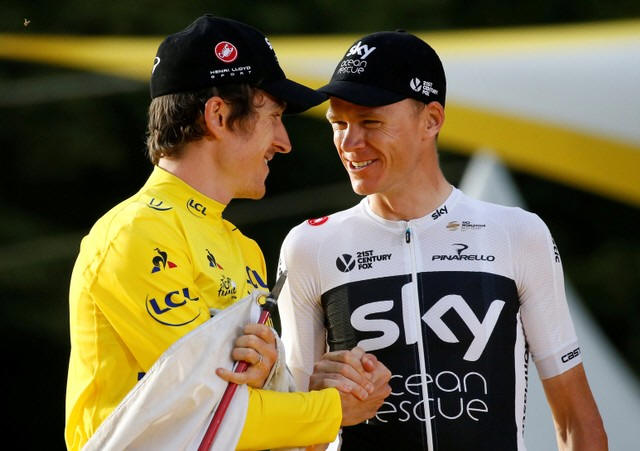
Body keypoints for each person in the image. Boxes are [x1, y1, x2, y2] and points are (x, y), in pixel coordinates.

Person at [64, 15, 390, 451]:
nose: (284, 142)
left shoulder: (243, 248)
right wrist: (333, 409)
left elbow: (242, 412)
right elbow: (207, 409)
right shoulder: (135, 233)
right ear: (218, 115)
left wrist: (288, 383)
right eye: (274, 116)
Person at [276, 30, 608, 450]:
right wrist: (317, 402)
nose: (350, 142)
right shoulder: (310, 245)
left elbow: (576, 420)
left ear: (431, 120)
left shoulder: (517, 233)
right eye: (338, 124)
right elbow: (293, 434)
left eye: (370, 122)